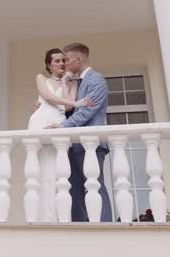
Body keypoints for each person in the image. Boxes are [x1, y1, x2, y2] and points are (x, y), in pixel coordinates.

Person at [46, 42, 111, 222]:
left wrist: (62, 127)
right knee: (73, 189)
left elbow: (86, 112)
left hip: (91, 144)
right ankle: (80, 226)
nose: (65, 64)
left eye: (67, 60)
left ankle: (104, 226)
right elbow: (68, 107)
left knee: (94, 186)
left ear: (78, 59)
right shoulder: (75, 82)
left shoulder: (96, 79)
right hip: (72, 144)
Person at [27, 48, 93, 222]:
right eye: (57, 61)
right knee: (38, 171)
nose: (62, 63)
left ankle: (54, 217)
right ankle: (39, 217)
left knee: (56, 173)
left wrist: (65, 82)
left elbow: (68, 108)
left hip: (57, 124)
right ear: (49, 65)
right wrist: (76, 102)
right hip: (39, 123)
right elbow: (48, 97)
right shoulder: (41, 78)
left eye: (64, 60)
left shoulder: (72, 84)